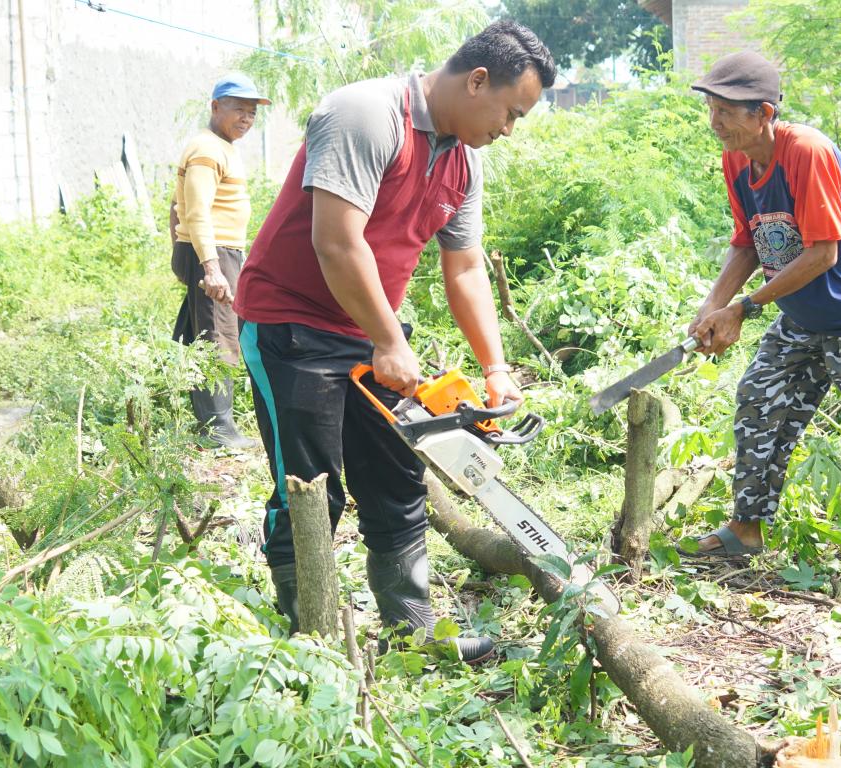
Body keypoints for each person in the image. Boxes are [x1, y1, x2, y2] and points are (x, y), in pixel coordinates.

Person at [234, 21, 556, 660]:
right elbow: (337, 241)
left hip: (370, 330)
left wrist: (495, 367)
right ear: (477, 81)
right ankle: (312, 639)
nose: (509, 129)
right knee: (308, 485)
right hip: (289, 325)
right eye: (511, 113)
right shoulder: (364, 114)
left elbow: (463, 267)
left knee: (396, 476)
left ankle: (413, 628)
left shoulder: (462, 160)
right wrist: (388, 340)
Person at [681, 51, 841, 613]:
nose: (716, 122)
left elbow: (823, 253)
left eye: (727, 111)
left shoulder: (806, 151)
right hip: (804, 312)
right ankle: (744, 531)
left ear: (764, 113)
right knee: (759, 401)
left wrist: (744, 309)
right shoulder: (737, 161)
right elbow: (748, 241)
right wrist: (711, 307)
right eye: (712, 109)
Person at [170, 73, 267, 450]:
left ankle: (205, 419)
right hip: (215, 251)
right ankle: (218, 430)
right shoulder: (207, 149)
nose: (246, 118)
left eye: (252, 113)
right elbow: (193, 211)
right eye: (239, 109)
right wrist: (209, 266)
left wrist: (185, 254)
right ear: (215, 107)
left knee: (199, 333)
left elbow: (176, 208)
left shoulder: (221, 146)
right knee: (219, 337)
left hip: (215, 250)